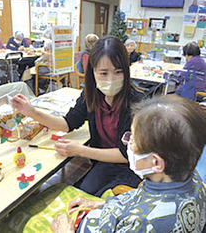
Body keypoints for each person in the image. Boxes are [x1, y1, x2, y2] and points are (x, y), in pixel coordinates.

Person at [49, 95, 206, 232]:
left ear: (156, 162)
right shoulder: (191, 178)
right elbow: (140, 197)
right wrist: (102, 203)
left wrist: (65, 230)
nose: (128, 143)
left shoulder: (143, 223)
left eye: (133, 140)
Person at [11, 35, 144, 196]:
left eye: (118, 72)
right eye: (103, 73)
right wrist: (32, 112)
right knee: (80, 193)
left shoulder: (136, 104)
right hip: (104, 163)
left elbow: (126, 155)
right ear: (93, 72)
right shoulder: (92, 95)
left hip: (132, 169)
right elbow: (68, 122)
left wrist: (80, 150)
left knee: (95, 202)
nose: (111, 80)